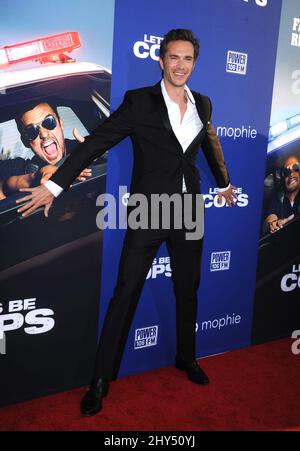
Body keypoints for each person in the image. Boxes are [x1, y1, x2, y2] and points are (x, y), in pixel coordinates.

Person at [16, 29, 236, 416]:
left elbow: (210, 145)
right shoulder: (140, 102)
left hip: (188, 211)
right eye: (174, 57)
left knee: (188, 290)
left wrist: (225, 183)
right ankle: (100, 380)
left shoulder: (203, 103)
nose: (180, 65)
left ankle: (187, 357)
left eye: (188, 59)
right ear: (161, 60)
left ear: (194, 63)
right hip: (149, 210)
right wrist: (54, 184)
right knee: (126, 293)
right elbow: (96, 142)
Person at [0, 101, 91, 198]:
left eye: (49, 122)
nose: (44, 134)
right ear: (25, 141)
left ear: (61, 123)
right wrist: (34, 178)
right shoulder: (20, 169)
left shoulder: (85, 146)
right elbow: (2, 188)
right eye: (31, 131)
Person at [264, 155, 300, 234]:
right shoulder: (277, 198)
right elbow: (270, 217)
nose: (291, 174)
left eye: (296, 167)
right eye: (286, 172)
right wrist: (274, 224)